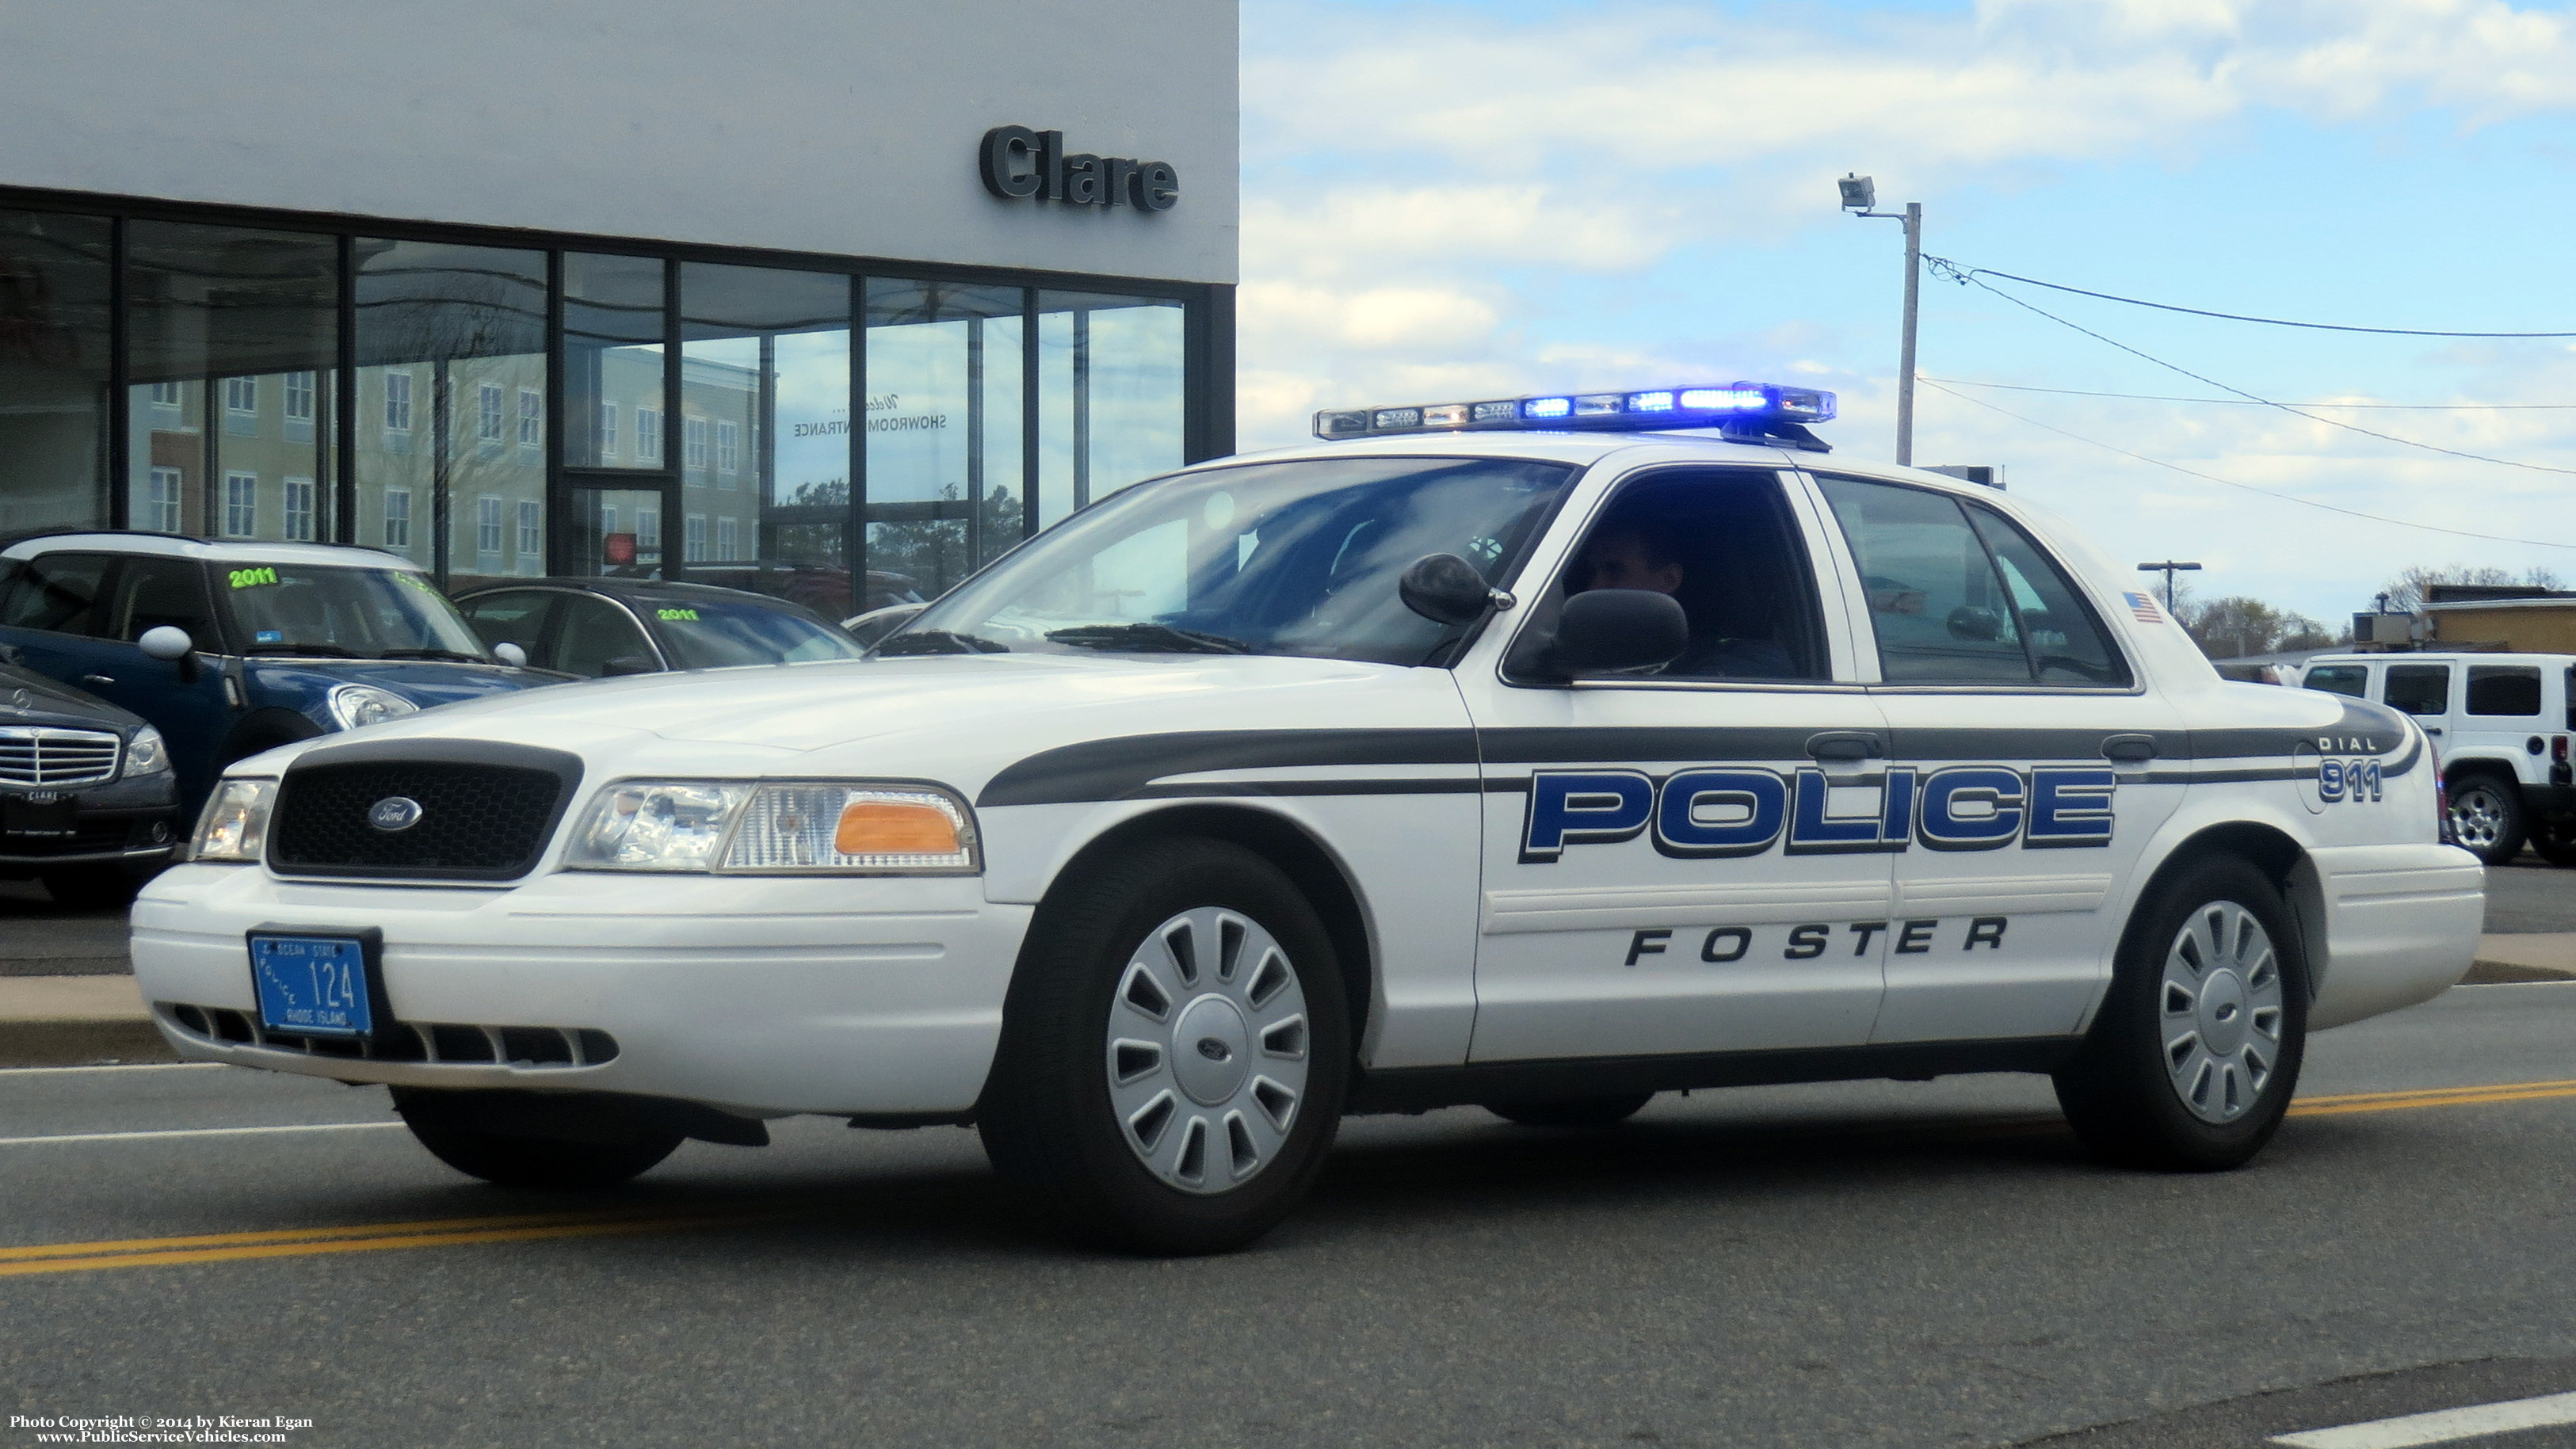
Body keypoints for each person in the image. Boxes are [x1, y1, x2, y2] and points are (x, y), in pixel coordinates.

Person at [1570, 523, 1796, 679]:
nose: (1594, 587)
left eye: (1614, 570)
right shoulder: (1580, 652)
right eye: (1593, 571)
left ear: (1669, 579)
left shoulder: (1745, 669)